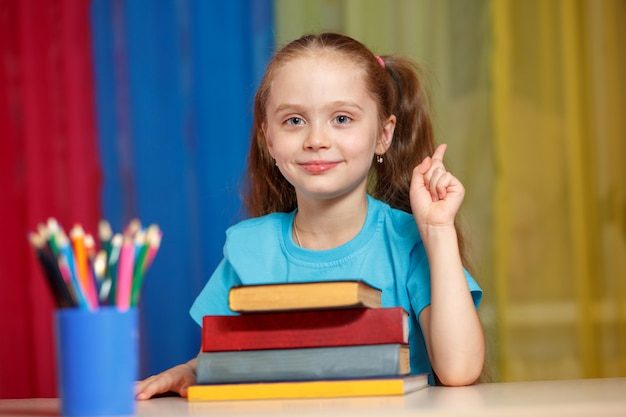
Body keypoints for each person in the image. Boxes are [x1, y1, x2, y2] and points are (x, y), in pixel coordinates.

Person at [136, 32, 484, 399]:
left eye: (342, 118)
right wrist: (190, 372)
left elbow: (459, 369)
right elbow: (219, 359)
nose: (316, 139)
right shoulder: (247, 248)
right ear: (269, 139)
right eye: (294, 121)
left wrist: (437, 230)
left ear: (383, 134)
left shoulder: (411, 241)